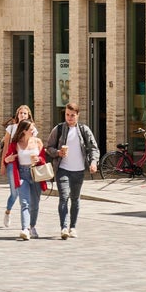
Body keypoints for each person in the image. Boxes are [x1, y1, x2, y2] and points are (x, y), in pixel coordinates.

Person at [46, 101, 99, 240]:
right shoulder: (58, 129)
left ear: (78, 115)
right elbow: (48, 148)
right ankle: (64, 227)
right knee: (64, 197)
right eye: (67, 115)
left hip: (79, 170)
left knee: (75, 199)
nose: (69, 118)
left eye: (72, 115)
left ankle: (73, 227)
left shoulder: (83, 130)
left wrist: (93, 162)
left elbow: (93, 147)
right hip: (62, 169)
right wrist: (58, 152)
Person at [3, 119, 48, 240]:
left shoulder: (38, 142)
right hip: (22, 175)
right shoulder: (16, 143)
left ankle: (32, 226)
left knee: (35, 204)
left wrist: (39, 160)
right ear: (24, 131)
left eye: (33, 128)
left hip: (35, 174)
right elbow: (6, 159)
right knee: (24, 203)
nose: (33, 130)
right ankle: (25, 229)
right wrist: (9, 159)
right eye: (31, 129)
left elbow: (43, 159)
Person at [0, 105, 38, 229]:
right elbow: (6, 147)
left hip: (27, 164)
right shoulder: (11, 128)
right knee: (14, 193)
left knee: (28, 197)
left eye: (25, 113)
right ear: (17, 115)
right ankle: (8, 211)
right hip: (12, 163)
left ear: (29, 116)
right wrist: (3, 164)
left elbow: (36, 146)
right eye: (20, 113)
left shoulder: (32, 129)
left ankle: (28, 224)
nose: (22, 115)